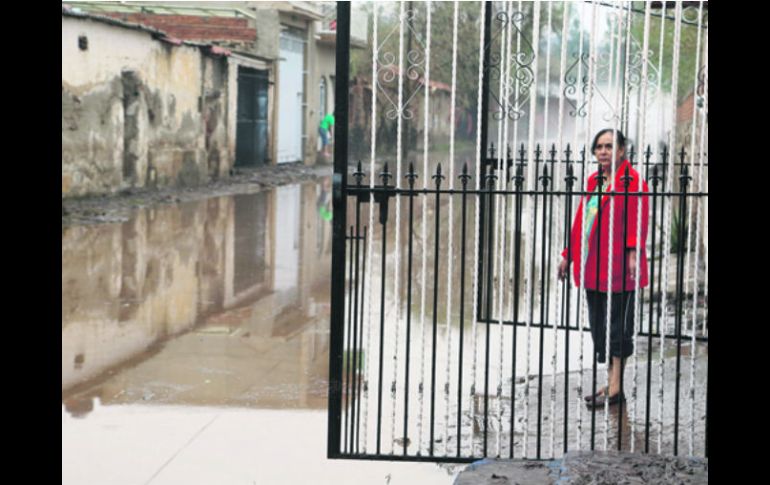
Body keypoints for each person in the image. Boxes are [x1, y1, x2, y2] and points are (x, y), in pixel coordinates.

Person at [557, 128, 649, 409]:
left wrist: (633, 252)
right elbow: (581, 223)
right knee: (600, 329)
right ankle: (610, 382)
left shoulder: (632, 181)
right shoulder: (594, 181)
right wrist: (568, 255)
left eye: (609, 146)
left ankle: (616, 388)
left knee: (618, 329)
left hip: (621, 267)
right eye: (599, 147)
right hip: (593, 267)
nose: (603, 152)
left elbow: (639, 218)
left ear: (621, 150)